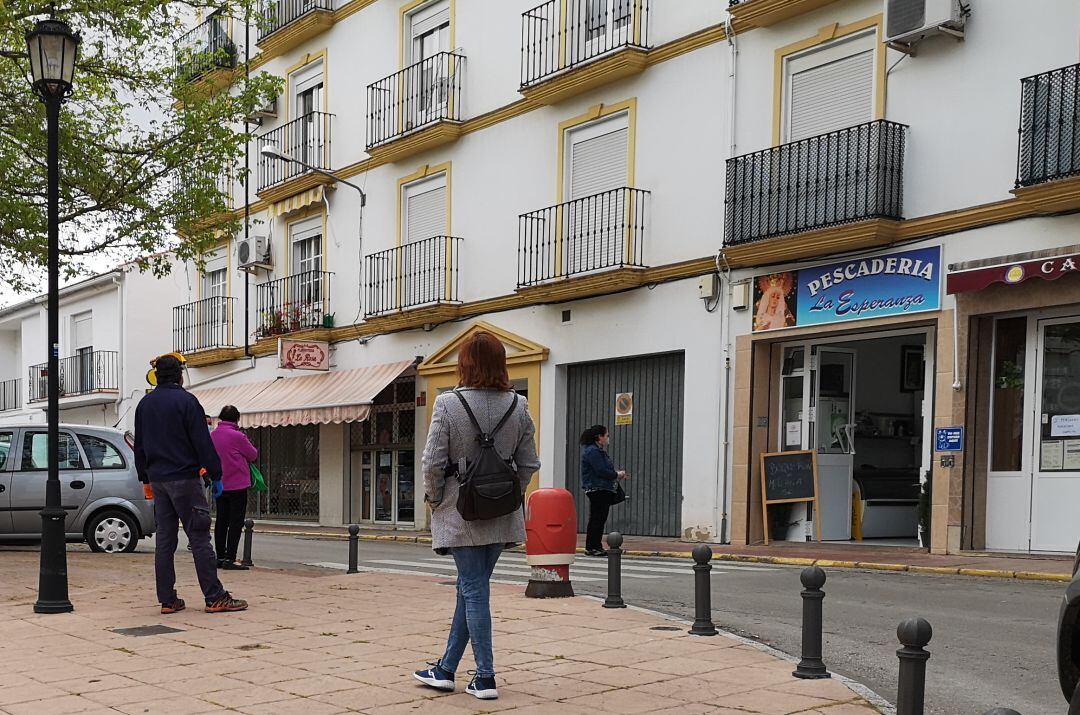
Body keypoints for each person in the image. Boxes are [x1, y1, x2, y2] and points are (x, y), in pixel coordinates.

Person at [413, 332, 540, 700]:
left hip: (460, 511)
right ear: (501, 363)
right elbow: (529, 462)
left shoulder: (448, 404)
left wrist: (435, 500)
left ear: (464, 363)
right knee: (470, 588)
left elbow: (432, 462)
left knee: (473, 588)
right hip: (500, 513)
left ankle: (485, 677)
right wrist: (505, 491)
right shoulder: (518, 405)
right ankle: (446, 669)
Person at [134, 354, 248, 615]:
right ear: (180, 376)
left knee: (165, 539)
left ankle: (168, 599)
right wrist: (217, 475)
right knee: (198, 537)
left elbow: (140, 446)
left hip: (159, 480)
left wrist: (145, 479)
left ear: (156, 376)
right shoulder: (187, 402)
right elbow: (201, 442)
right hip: (184, 478)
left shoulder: (144, 405)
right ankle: (215, 596)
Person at [210, 405, 258, 570]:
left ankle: (220, 557)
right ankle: (230, 558)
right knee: (235, 522)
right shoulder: (238, 436)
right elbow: (253, 455)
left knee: (221, 520)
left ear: (221, 418)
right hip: (238, 485)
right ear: (237, 419)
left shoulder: (213, 435)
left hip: (220, 484)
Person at [580, 425, 628, 557]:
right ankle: (592, 546)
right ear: (599, 437)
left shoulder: (596, 451)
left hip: (600, 488)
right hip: (598, 488)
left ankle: (595, 546)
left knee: (599, 518)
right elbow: (601, 471)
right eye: (606, 435)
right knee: (597, 518)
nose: (608, 438)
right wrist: (617, 474)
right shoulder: (593, 452)